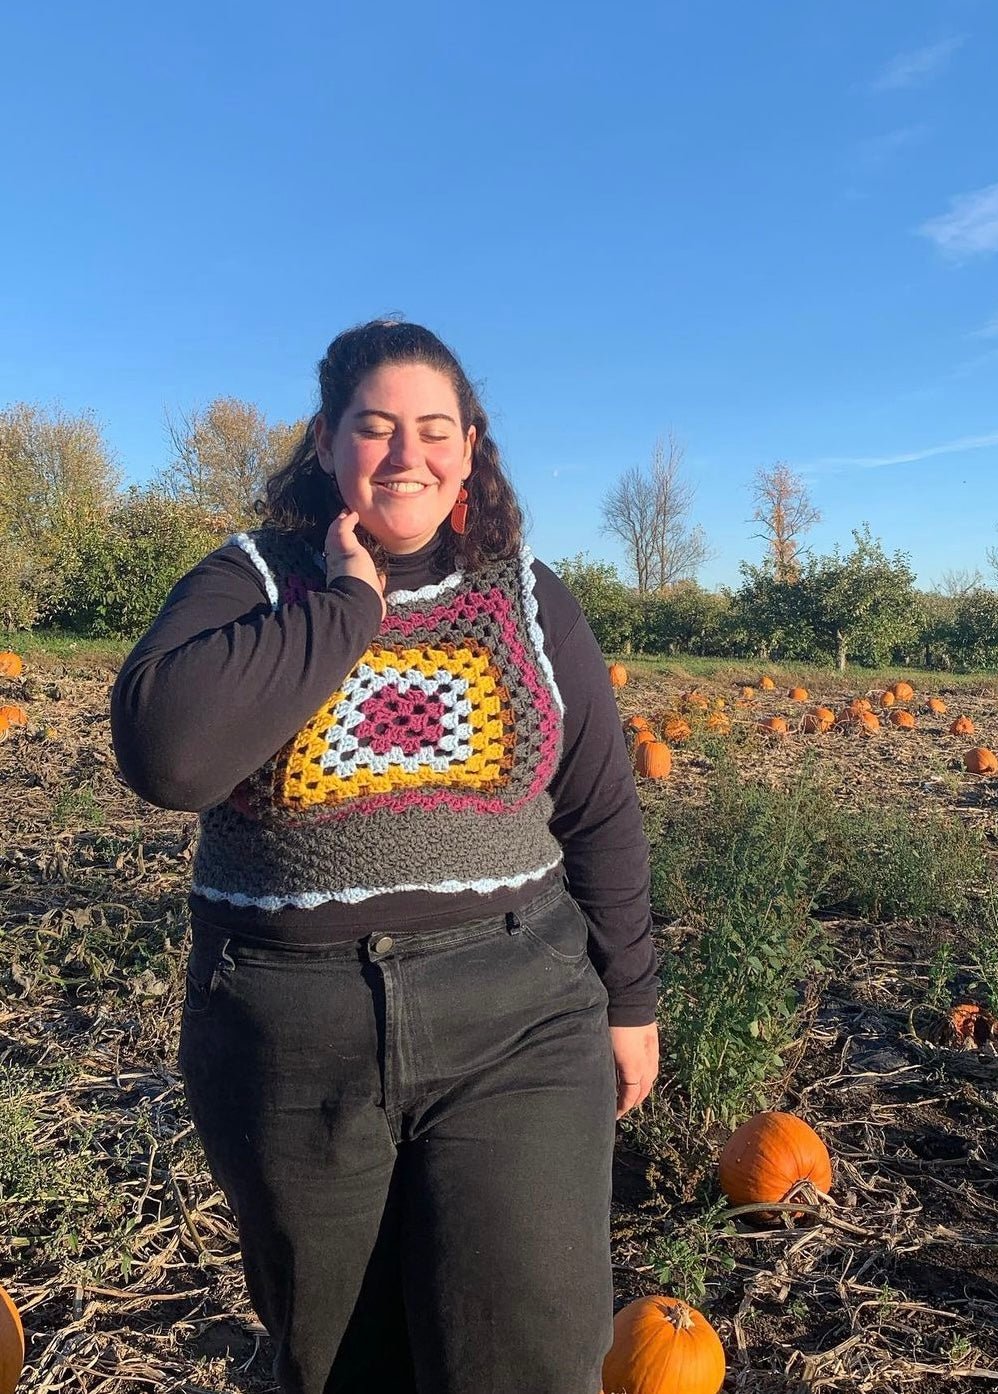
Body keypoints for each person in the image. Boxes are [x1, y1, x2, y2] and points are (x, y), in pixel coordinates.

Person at [109, 319, 659, 1394]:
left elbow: (599, 808)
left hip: (518, 1010)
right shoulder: (250, 581)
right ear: (325, 441)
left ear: (469, 447)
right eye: (375, 426)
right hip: (287, 1030)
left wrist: (629, 995)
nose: (407, 454)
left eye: (434, 428)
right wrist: (349, 606)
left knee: (529, 1359)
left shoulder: (527, 596)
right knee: (342, 1364)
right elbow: (169, 756)